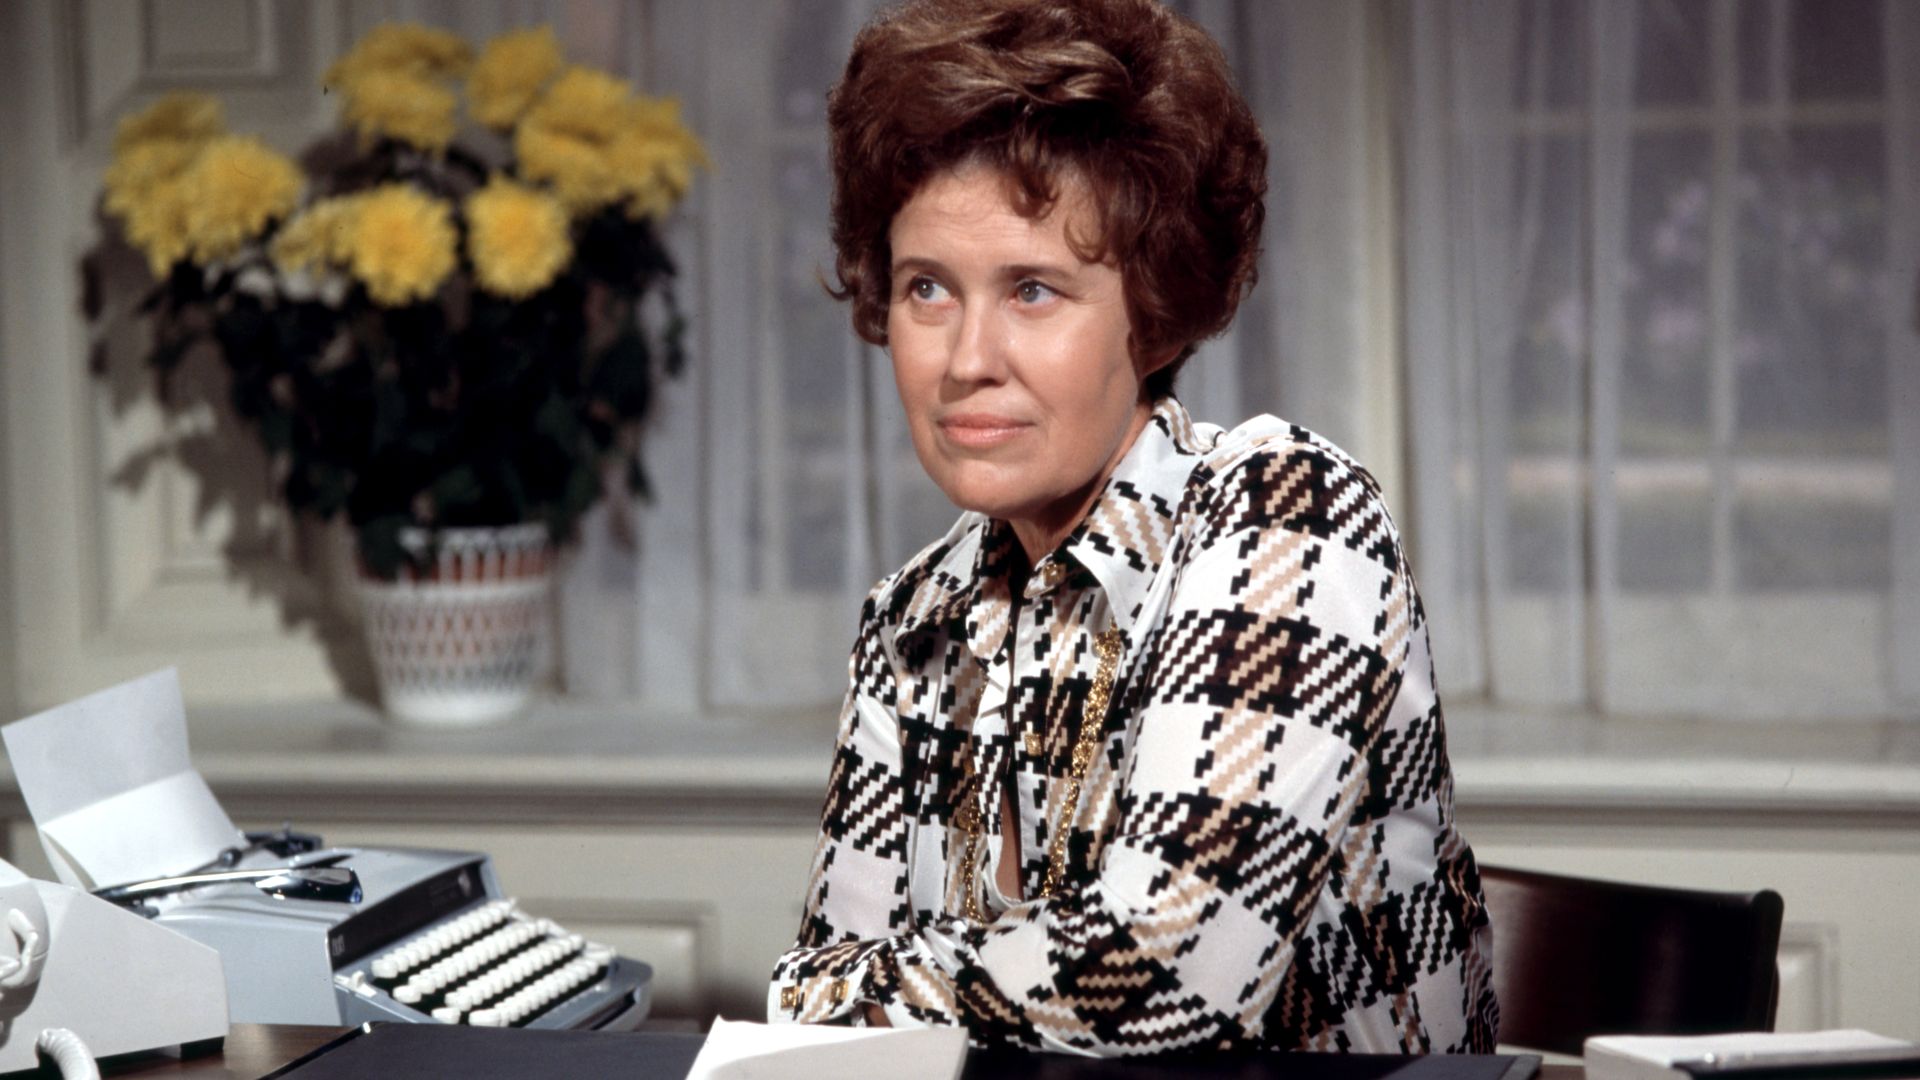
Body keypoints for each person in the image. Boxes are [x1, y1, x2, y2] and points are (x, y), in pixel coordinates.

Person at [768, 0, 1497, 1057]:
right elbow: (831, 1050)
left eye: (1032, 289)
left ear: (1152, 311)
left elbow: (1166, 978)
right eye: (928, 288)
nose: (967, 358)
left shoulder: (1287, 511)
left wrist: (847, 993)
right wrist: (854, 998)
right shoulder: (911, 621)